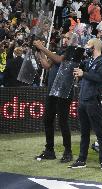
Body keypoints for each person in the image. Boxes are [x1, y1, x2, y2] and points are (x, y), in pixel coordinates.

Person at [68, 38, 102, 171]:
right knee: (84, 132)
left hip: (93, 100)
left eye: (88, 44)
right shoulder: (87, 61)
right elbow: (81, 73)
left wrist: (83, 73)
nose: (86, 46)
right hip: (83, 99)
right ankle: (81, 159)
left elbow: (100, 78)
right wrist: (79, 72)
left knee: (99, 132)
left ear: (95, 47)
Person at [33, 33, 74, 163]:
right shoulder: (58, 50)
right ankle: (49, 150)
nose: (66, 39)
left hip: (64, 91)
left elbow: (59, 60)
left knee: (63, 121)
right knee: (47, 119)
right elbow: (46, 65)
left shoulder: (72, 50)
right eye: (65, 37)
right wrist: (40, 52)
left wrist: (43, 48)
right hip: (52, 90)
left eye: (68, 37)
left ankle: (68, 151)